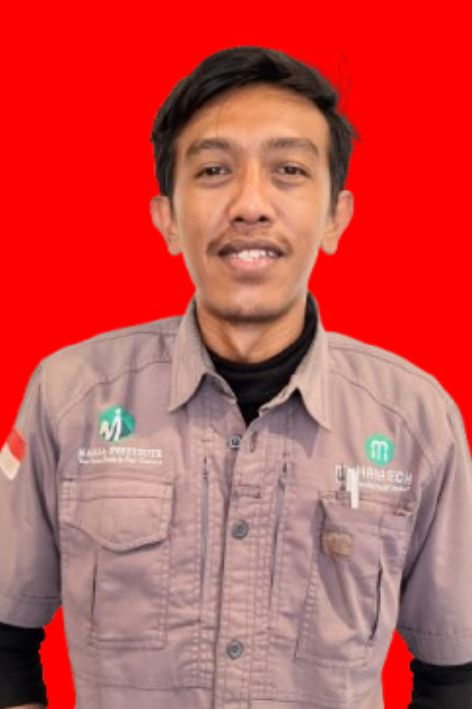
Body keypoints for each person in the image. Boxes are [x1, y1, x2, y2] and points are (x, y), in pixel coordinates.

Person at [0, 45, 471, 709]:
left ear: (336, 217)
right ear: (168, 218)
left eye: (289, 170)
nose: (251, 204)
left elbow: (454, 674)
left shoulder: (418, 422)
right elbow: (7, 644)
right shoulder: (68, 395)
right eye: (215, 170)